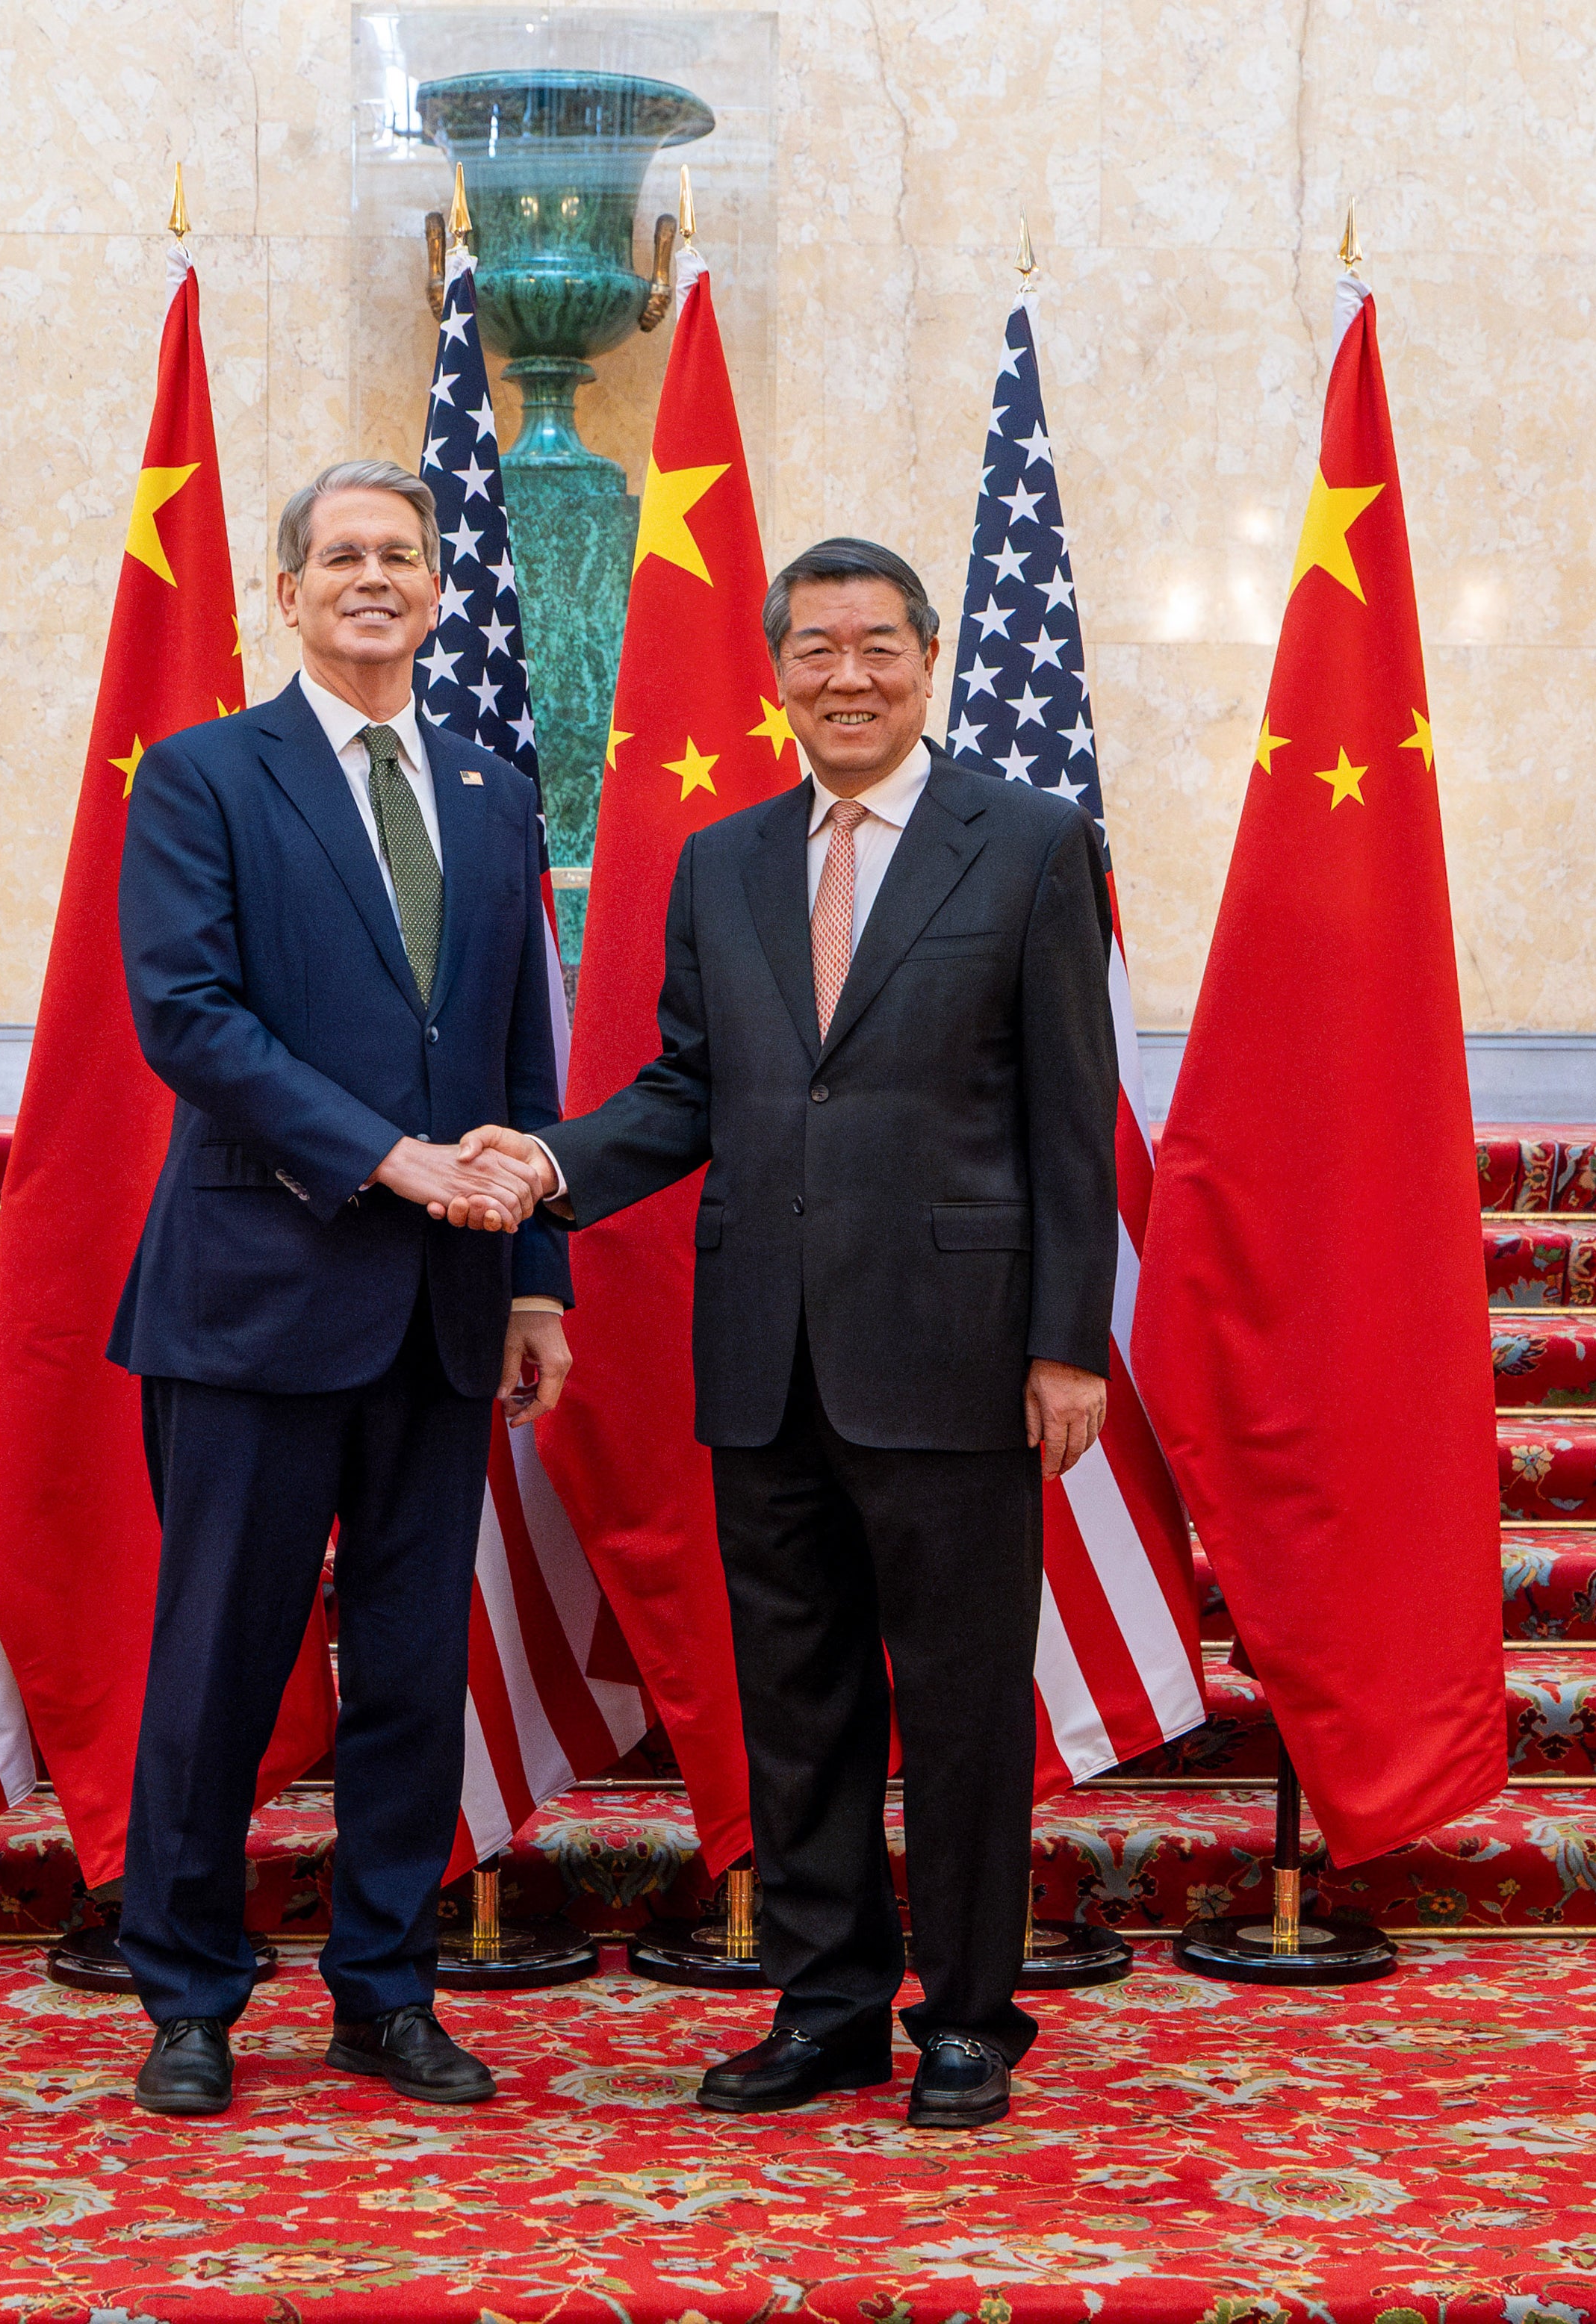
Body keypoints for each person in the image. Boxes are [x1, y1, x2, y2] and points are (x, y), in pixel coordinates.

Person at [462, 537, 1118, 2131]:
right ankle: (828, 2005)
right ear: (778, 672)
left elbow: (1070, 1111)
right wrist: (551, 1161)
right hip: (766, 1355)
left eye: (878, 645)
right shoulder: (726, 861)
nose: (848, 674)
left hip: (963, 1357)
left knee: (962, 1708)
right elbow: (696, 1088)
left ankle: (968, 2014)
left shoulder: (1030, 844)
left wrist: (1069, 1344)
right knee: (800, 1706)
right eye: (816, 647)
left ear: (928, 656)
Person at [107, 458, 569, 2119]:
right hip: (255, 1294)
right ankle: (189, 1990)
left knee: (408, 1671)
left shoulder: (497, 790)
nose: (375, 578)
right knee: (219, 1668)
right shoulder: (204, 777)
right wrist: (389, 1157)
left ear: (439, 593)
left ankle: (384, 1987)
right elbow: (190, 1017)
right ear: (286, 593)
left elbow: (520, 1043)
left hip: (448, 1312)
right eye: (342, 556)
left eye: (403, 556)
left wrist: (535, 1276)